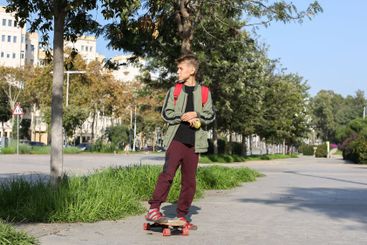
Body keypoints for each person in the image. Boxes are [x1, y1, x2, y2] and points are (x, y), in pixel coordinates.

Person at [145, 54, 215, 229]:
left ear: (192, 70)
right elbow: (166, 113)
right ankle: (154, 208)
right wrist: (182, 116)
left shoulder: (205, 92)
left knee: (189, 181)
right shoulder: (174, 91)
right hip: (176, 139)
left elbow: (211, 114)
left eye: (180, 68)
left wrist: (196, 114)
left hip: (194, 143)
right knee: (167, 174)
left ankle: (182, 215)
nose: (178, 71)